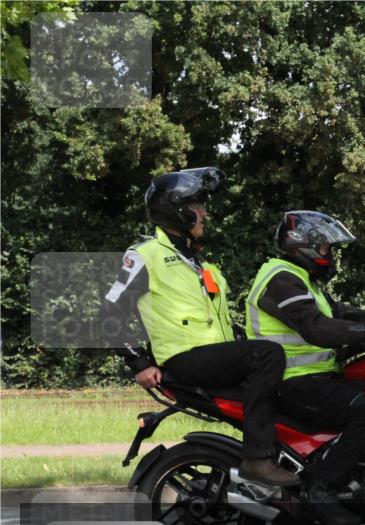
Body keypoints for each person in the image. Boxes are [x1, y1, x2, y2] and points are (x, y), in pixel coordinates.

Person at [99, 167, 298, 487]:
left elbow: (219, 322)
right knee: (267, 354)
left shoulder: (201, 265)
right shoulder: (146, 256)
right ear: (177, 210)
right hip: (185, 359)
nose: (204, 214)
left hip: (212, 358)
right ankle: (257, 460)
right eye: (197, 206)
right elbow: (109, 310)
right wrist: (138, 362)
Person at [245, 211, 365, 525]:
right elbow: (318, 328)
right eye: (326, 248)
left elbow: (345, 315)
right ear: (303, 246)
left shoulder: (304, 281)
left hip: (315, 379)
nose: (330, 255)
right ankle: (321, 488)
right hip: (292, 381)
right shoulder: (281, 279)